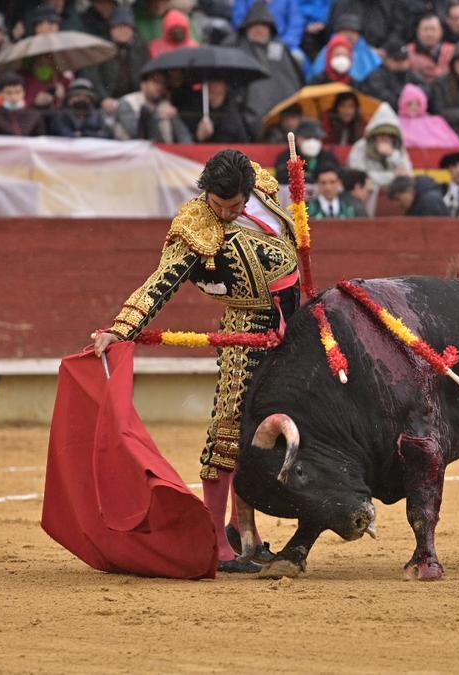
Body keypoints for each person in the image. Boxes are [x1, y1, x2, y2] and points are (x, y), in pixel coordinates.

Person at [93, 150, 300, 573]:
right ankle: (217, 544)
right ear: (204, 193)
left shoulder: (260, 187)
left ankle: (245, 533)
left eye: (234, 206)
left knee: (271, 434)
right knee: (228, 432)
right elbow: (160, 283)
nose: (225, 214)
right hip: (245, 332)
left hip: (290, 329)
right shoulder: (195, 227)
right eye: (218, 205)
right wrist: (122, 327)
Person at [231, 1, 305, 133]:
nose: (259, 30)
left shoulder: (281, 51)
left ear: (271, 29)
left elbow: (291, 82)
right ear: (247, 27)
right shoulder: (236, 48)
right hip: (245, 120)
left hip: (281, 119)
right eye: (255, 25)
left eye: (264, 25)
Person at [114, 70, 192, 142]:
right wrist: (158, 115)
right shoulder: (127, 102)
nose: (160, 86)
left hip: (162, 153)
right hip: (132, 154)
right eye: (155, 82)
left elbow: (184, 136)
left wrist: (174, 117)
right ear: (143, 84)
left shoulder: (165, 104)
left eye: (163, 83)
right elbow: (136, 133)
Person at [347, 103, 413, 187]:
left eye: (389, 135)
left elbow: (407, 175)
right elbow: (358, 176)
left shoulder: (398, 149)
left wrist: (392, 155)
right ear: (374, 134)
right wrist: (391, 176)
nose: (385, 138)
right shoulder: (361, 146)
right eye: (381, 134)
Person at [306, 13, 381, 83]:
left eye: (353, 32)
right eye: (345, 31)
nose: (349, 35)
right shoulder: (326, 52)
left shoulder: (367, 54)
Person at [95, 6, 149, 103]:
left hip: (135, 98)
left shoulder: (141, 48)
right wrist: (103, 98)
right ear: (111, 28)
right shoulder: (101, 47)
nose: (123, 31)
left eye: (127, 27)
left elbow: (147, 74)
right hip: (109, 99)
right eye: (119, 26)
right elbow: (93, 76)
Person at [359, 39, 427, 111]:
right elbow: (383, 97)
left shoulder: (412, 74)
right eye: (397, 59)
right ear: (386, 59)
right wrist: (407, 97)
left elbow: (426, 89)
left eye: (404, 59)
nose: (401, 62)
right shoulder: (376, 76)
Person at [396, 83, 459, 148]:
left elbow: (451, 140)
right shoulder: (397, 122)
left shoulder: (435, 121)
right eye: (410, 104)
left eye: (417, 104)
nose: (414, 107)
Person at [273, 119, 339, 184]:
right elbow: (281, 176)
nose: (312, 142)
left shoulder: (328, 157)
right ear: (297, 138)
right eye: (307, 137)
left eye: (316, 138)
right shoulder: (287, 156)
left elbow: (336, 174)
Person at [49, 79, 114, 139]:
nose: (80, 100)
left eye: (84, 97)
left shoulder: (96, 115)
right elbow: (66, 134)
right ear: (69, 100)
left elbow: (107, 135)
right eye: (77, 97)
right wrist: (94, 134)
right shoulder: (62, 115)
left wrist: (83, 133)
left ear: (91, 100)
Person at [230, 0, 304, 52]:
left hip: (281, 44)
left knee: (298, 57)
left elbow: (296, 24)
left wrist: (285, 43)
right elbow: (238, 20)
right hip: (249, 43)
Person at [408, 13, 455, 84]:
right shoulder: (408, 51)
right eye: (425, 29)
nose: (429, 34)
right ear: (418, 32)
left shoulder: (453, 50)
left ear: (441, 31)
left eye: (433, 29)